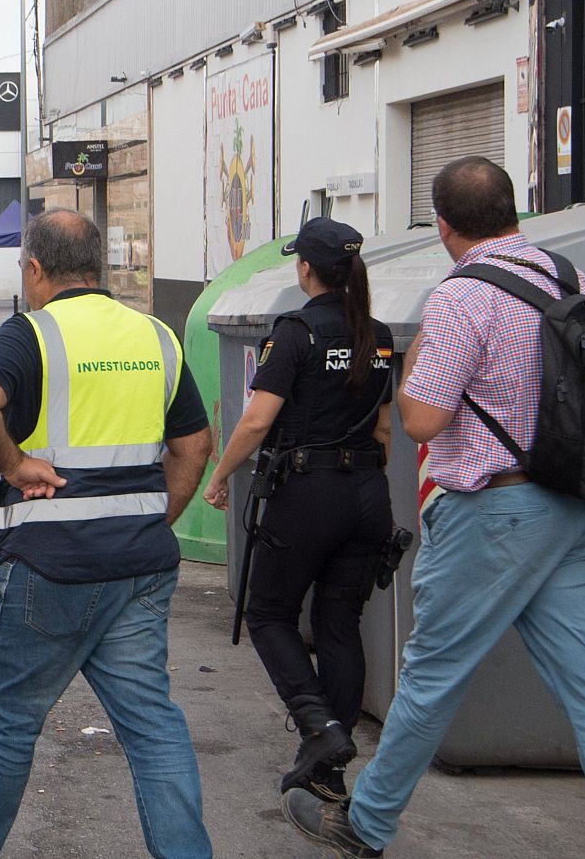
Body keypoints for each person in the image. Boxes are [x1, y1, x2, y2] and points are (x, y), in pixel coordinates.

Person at [285, 157, 585, 858]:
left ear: (443, 226)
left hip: (493, 515)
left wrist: (408, 384)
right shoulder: (569, 277)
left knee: (433, 673)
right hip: (571, 506)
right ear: (515, 211)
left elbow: (424, 421)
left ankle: (367, 821)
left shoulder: (461, 297)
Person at [0, 209, 213, 859]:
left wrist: (13, 463)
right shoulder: (157, 336)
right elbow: (194, 445)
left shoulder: (32, 333)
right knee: (153, 728)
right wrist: (152, 519)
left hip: (50, 566)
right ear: (96, 266)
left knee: (10, 721)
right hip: (140, 565)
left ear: (34, 269)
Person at [202, 217, 395, 803]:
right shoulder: (378, 334)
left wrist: (220, 475)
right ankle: (327, 769)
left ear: (305, 268)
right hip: (367, 493)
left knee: (267, 613)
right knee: (339, 625)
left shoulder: (296, 333)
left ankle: (319, 725)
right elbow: (385, 429)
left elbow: (258, 419)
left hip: (309, 493)